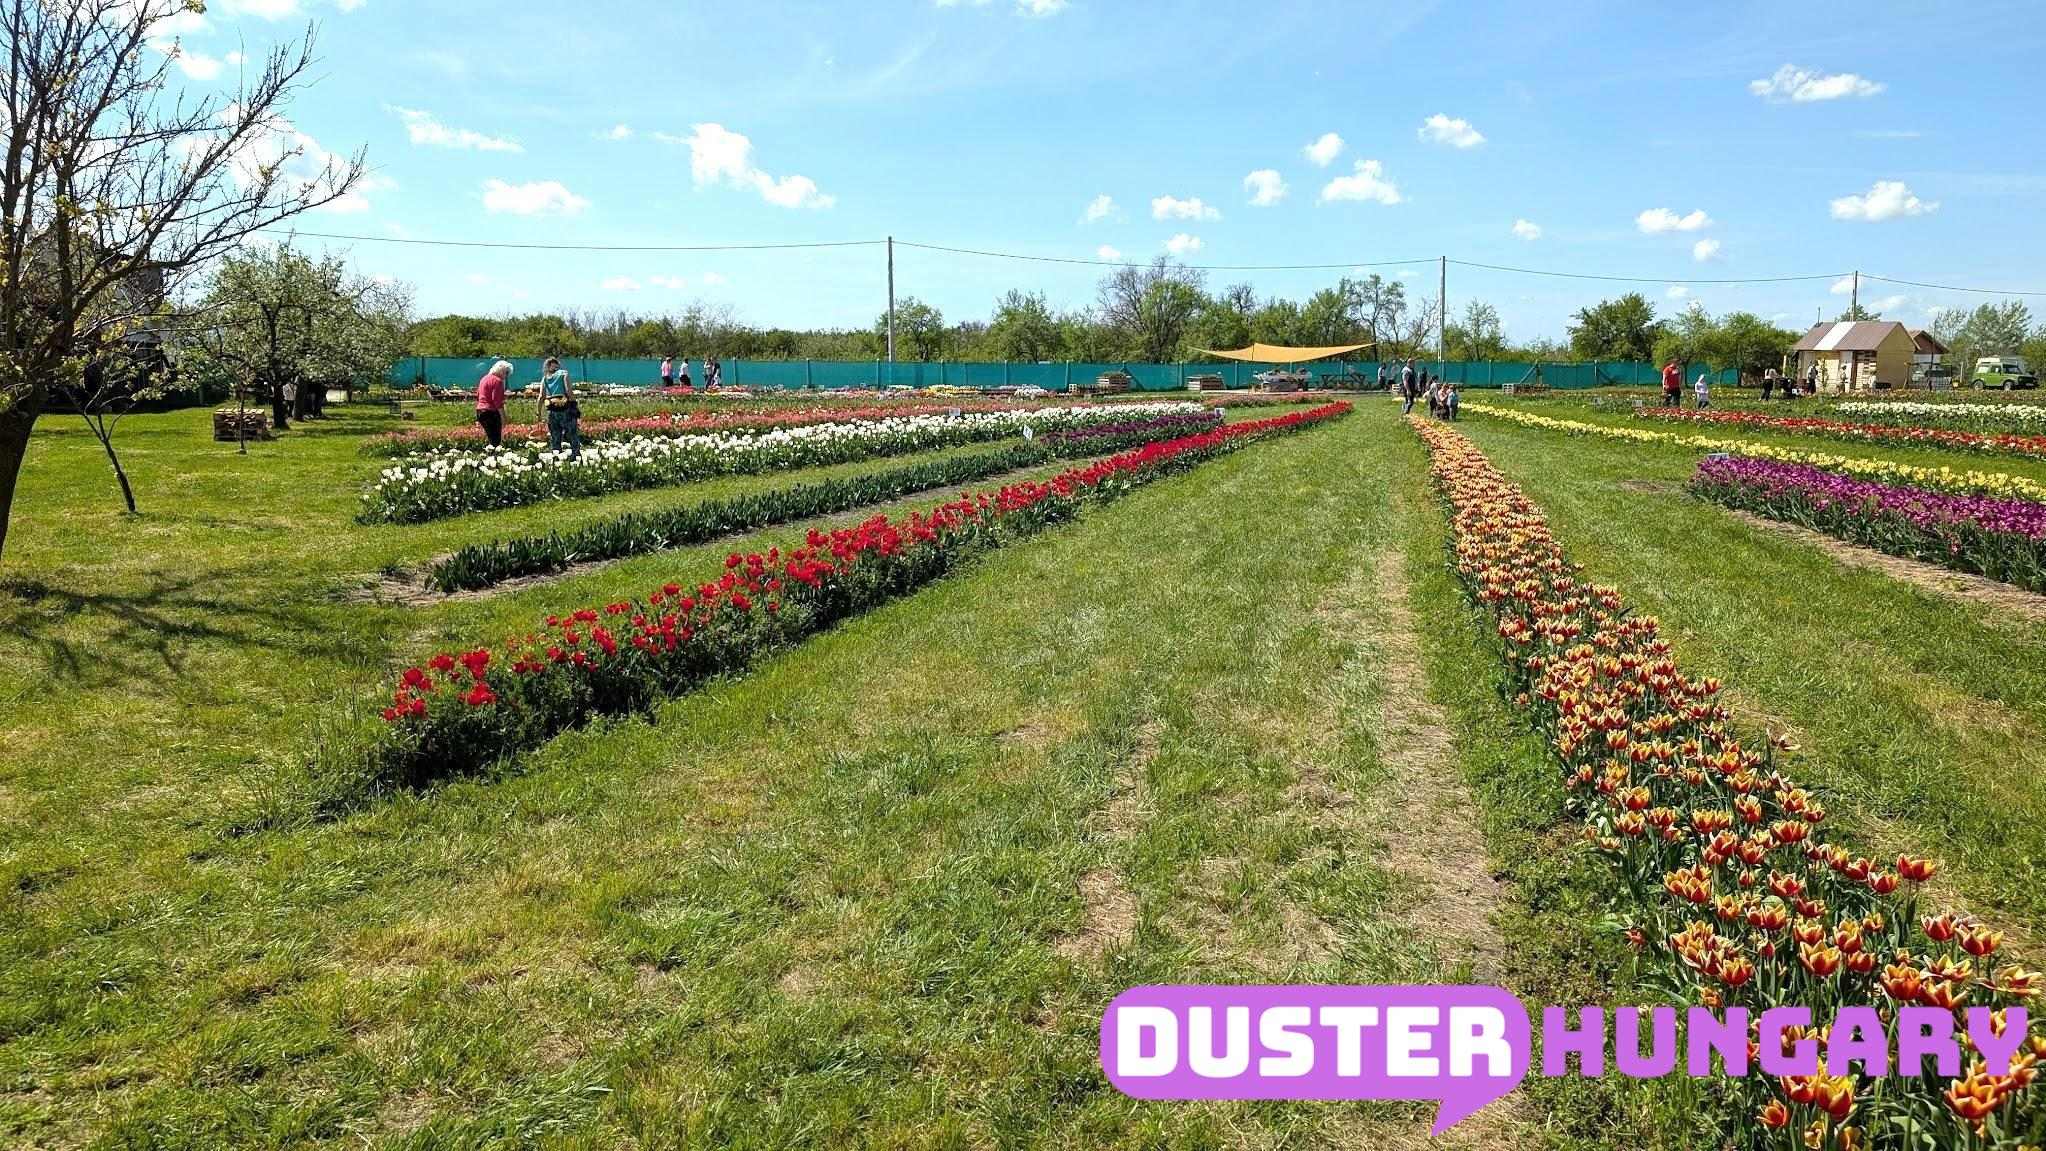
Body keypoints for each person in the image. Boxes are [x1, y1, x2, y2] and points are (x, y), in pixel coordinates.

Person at [538, 356, 580, 457]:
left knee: (555, 436)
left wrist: (538, 412)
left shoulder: (545, 378)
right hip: (565, 408)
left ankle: (557, 457)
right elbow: (568, 391)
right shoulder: (564, 374)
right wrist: (574, 403)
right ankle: (575, 455)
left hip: (552, 410)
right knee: (572, 433)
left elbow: (541, 396)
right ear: (558, 365)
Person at [476, 360, 510, 447]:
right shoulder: (497, 381)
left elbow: (478, 395)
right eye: (506, 373)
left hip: (480, 411)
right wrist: (503, 417)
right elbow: (497, 401)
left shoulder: (484, 379)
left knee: (490, 438)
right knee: (496, 441)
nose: (506, 376)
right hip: (491, 412)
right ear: (501, 371)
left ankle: (490, 453)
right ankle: (493, 455)